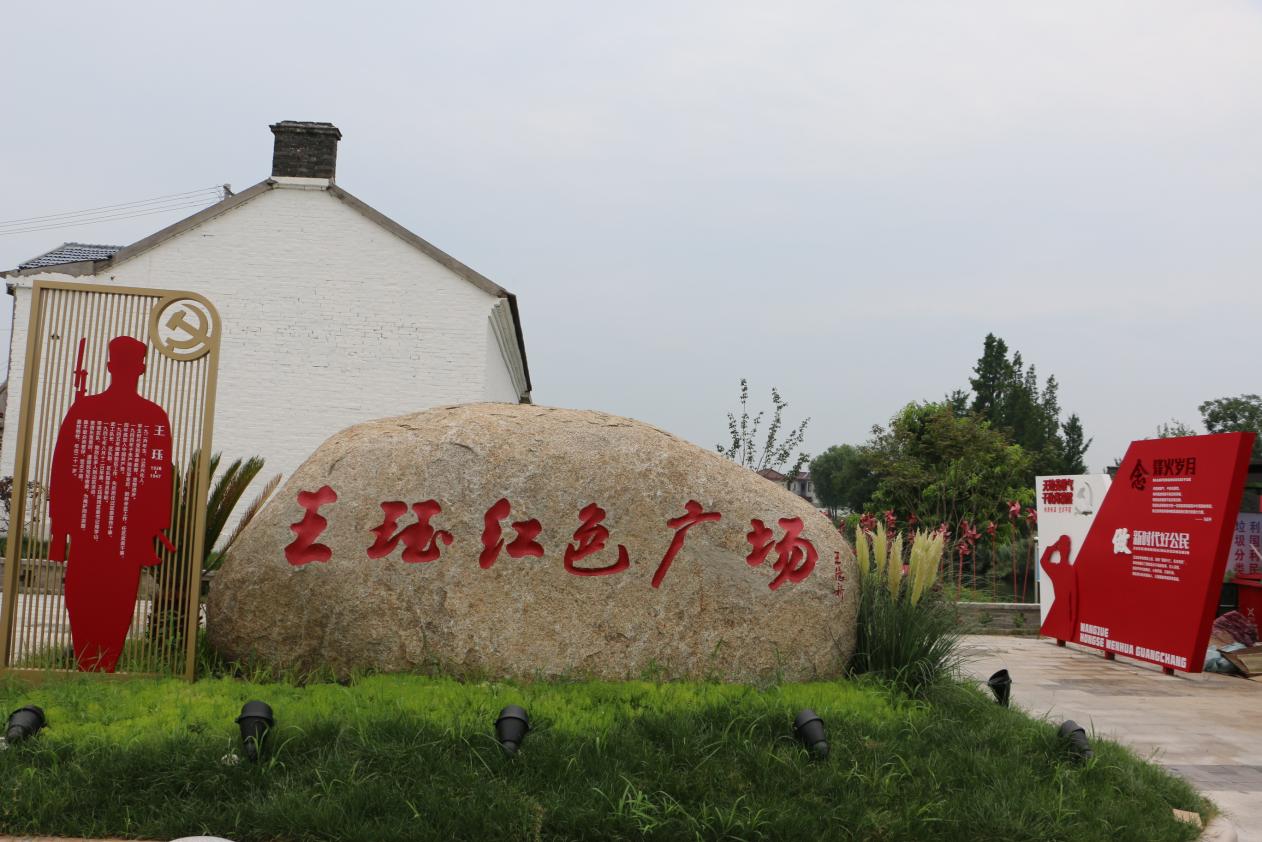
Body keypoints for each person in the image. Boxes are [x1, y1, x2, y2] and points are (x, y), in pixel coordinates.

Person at [48, 335, 173, 672]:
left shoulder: (150, 417)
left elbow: (159, 477)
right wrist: (60, 531)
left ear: (109, 366)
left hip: (118, 530)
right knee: (88, 595)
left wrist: (153, 528)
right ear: (140, 369)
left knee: (114, 597)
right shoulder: (93, 411)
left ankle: (102, 664)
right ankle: (92, 663)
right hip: (95, 526)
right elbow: (63, 471)